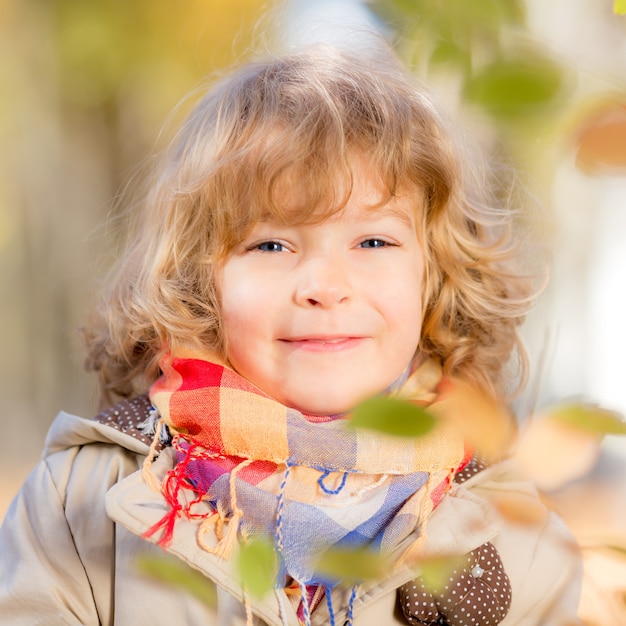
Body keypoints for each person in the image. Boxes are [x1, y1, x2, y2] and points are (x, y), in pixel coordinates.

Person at [0, 44, 581, 625]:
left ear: (434, 274)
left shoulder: (515, 538)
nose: (325, 287)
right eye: (271, 245)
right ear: (201, 279)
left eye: (373, 242)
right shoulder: (80, 506)